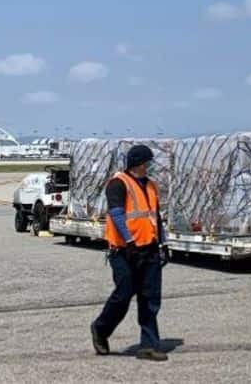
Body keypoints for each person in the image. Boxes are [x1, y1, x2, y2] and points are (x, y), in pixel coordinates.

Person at [90, 144, 169, 361]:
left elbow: (155, 216)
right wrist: (130, 241)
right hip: (125, 251)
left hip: (149, 248)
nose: (150, 166)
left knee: (150, 297)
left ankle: (149, 345)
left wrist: (163, 242)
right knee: (124, 294)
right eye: (148, 162)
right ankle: (100, 328)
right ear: (139, 163)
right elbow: (116, 214)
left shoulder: (151, 186)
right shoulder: (118, 183)